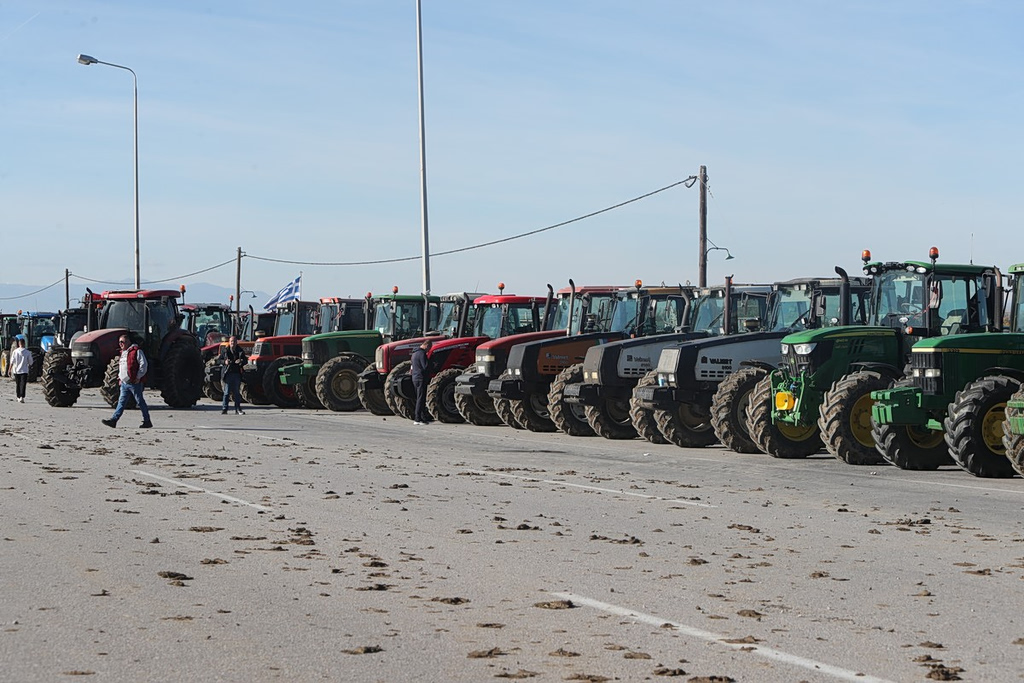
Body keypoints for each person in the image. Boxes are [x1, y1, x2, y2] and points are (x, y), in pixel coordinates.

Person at [102, 335, 152, 429]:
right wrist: (120, 378)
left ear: (128, 342)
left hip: (134, 383)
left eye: (123, 342)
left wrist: (138, 377)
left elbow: (144, 364)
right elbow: (122, 367)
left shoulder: (137, 351)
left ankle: (147, 421)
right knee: (121, 402)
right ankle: (114, 420)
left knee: (140, 402)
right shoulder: (123, 353)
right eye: (119, 342)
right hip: (124, 384)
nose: (121, 344)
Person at [219, 335, 248, 415]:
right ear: (229, 342)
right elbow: (219, 360)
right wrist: (225, 362)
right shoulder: (225, 351)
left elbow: (245, 360)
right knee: (226, 392)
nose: (233, 343)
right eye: (231, 341)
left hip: (236, 374)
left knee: (236, 392)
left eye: (234, 341)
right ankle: (224, 409)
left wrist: (241, 361)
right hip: (228, 373)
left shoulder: (240, 351)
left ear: (236, 342)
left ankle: (238, 409)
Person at [410, 339, 433, 425]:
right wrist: (432, 364)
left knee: (418, 398)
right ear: (427, 345)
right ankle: (418, 419)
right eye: (429, 348)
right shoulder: (422, 354)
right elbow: (425, 366)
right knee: (421, 399)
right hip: (421, 378)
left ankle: (422, 417)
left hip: (415, 378)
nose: (428, 350)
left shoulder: (414, 354)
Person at [10, 337, 32, 403]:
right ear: (24, 343)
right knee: (23, 384)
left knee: (18, 384)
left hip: (16, 370)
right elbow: (31, 362)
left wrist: (9, 369)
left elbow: (12, 361)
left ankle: (18, 396)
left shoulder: (15, 351)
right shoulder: (28, 352)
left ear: (19, 343)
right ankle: (22, 397)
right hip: (24, 370)